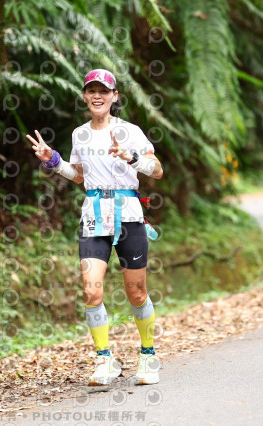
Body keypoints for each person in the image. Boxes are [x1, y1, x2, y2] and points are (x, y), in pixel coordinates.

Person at [26, 69, 163, 386]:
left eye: (104, 91)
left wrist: (131, 157)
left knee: (136, 292)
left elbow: (157, 170)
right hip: (93, 217)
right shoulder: (80, 134)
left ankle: (148, 355)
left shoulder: (130, 131)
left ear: (114, 96)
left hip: (128, 216)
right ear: (85, 96)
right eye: (92, 91)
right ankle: (105, 360)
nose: (97, 96)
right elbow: (79, 175)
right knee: (91, 290)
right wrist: (52, 159)